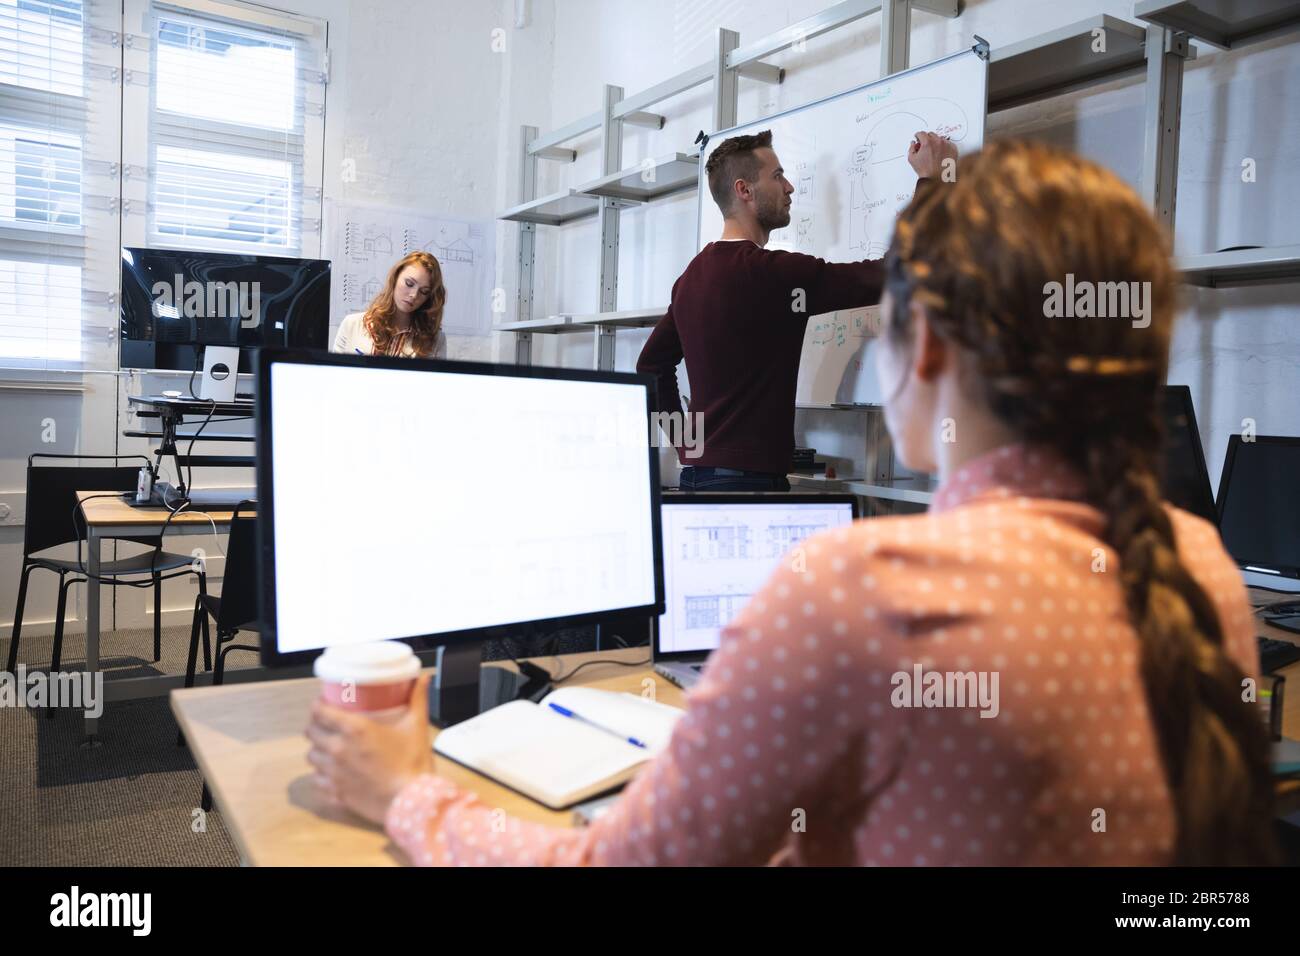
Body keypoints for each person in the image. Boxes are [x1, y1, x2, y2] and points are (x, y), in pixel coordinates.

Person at [305, 140, 1275, 866]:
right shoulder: (1201, 569)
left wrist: (404, 792)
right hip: (758, 472)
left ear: (924, 348)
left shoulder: (855, 593)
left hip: (710, 470)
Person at [635, 129, 956, 491]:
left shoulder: (692, 277)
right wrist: (933, 179)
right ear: (744, 190)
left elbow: (650, 366)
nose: (789, 187)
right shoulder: (770, 274)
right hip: (746, 488)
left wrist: (687, 445)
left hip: (697, 479)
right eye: (777, 176)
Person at [333, 251, 448, 358]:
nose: (414, 295)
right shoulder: (352, 324)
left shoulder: (436, 340)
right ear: (395, 278)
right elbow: (336, 375)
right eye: (409, 283)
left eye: (424, 291)